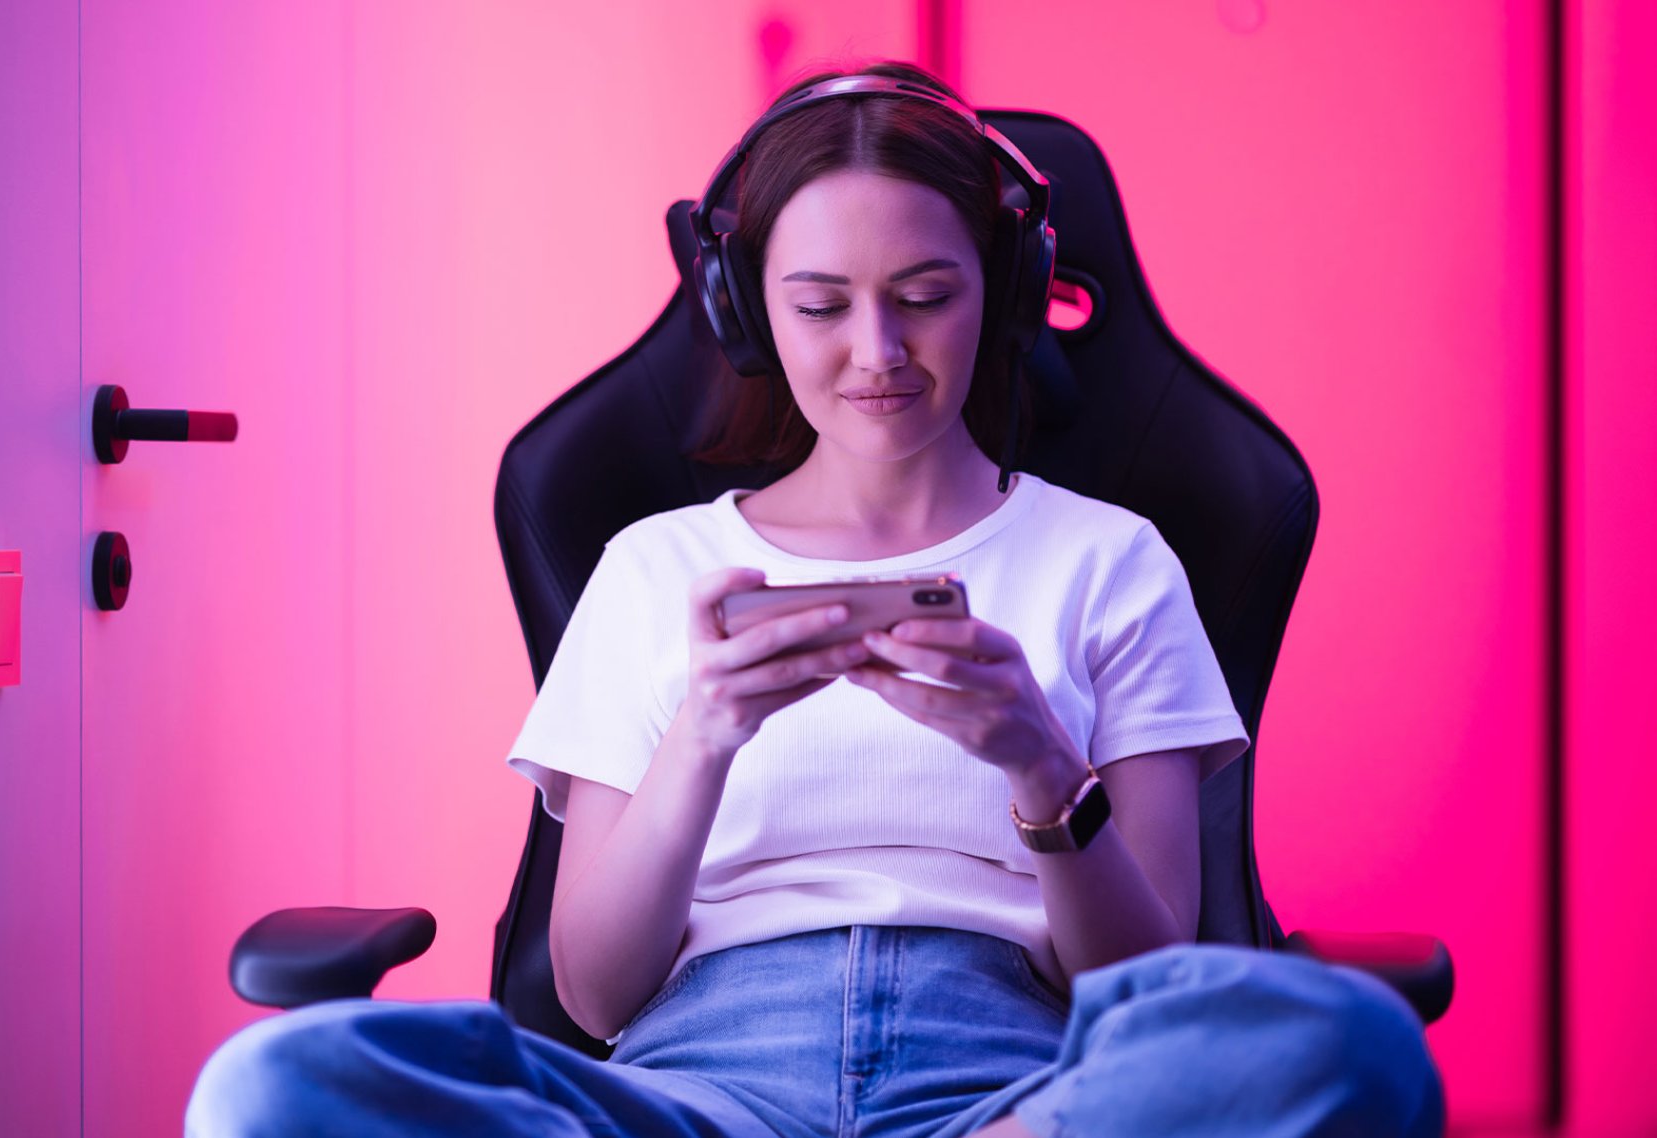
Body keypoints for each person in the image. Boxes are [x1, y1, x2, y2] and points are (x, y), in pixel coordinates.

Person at [186, 60, 1443, 1138]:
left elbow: (1157, 982)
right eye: (822, 305)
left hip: (1013, 1083)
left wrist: (1044, 772)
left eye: (926, 297)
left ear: (1000, 294)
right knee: (274, 1085)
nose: (879, 354)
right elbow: (596, 997)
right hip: (697, 1089)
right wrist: (705, 737)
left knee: (1345, 1046)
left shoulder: (1113, 561)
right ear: (745, 313)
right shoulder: (652, 568)